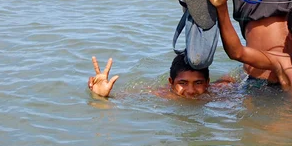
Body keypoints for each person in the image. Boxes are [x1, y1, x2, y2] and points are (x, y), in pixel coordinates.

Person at [87, 51, 217, 99]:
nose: (190, 90)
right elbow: (125, 97)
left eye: (198, 83)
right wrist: (100, 95)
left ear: (207, 82)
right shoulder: (161, 95)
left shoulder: (217, 94)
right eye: (182, 83)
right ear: (171, 82)